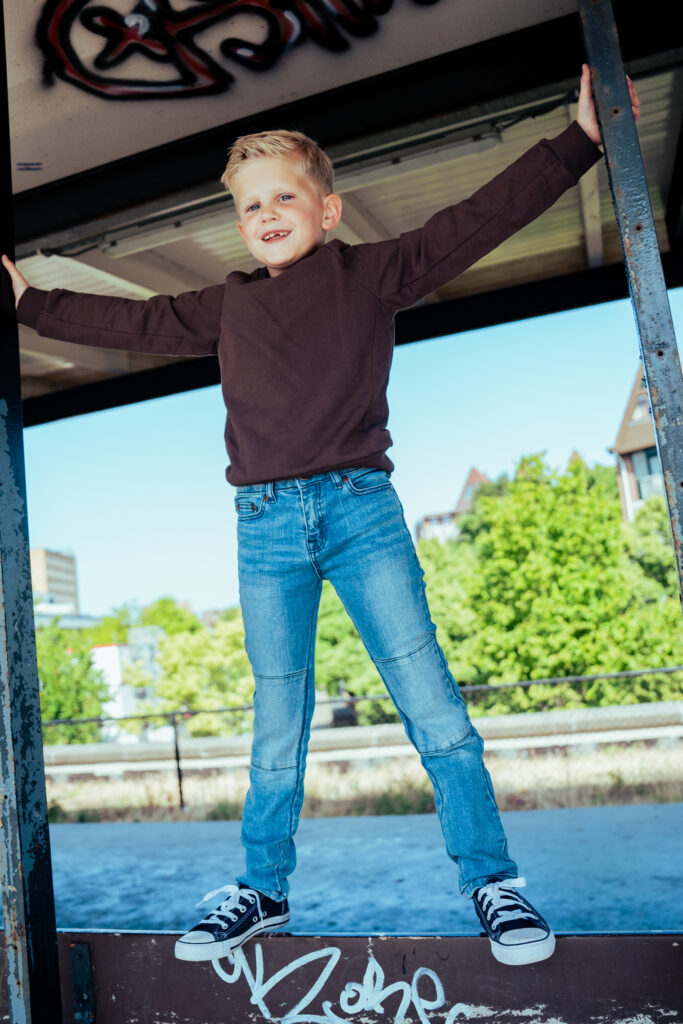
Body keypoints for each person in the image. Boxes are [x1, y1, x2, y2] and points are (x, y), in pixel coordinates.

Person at [3, 65, 640, 968]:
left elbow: (477, 220)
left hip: (359, 512)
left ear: (327, 210)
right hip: (263, 527)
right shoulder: (226, 306)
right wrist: (29, 304)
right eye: (248, 205)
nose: (265, 215)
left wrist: (578, 140)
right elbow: (133, 323)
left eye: (283, 197)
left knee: (432, 705)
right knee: (276, 720)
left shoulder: (371, 275)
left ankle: (491, 881)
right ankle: (262, 889)